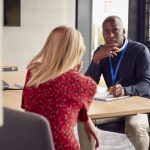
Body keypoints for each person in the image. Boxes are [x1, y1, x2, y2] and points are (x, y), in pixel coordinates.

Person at [21, 26, 99, 150]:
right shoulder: (86, 84)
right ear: (77, 52)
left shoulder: (33, 71)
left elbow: (28, 107)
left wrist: (86, 120)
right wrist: (76, 74)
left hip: (29, 142)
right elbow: (74, 115)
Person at [85, 16, 150, 150]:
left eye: (115, 30)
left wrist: (125, 90)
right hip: (113, 106)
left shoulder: (140, 51)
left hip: (137, 107)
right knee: (83, 118)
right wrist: (96, 60)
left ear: (123, 31)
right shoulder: (101, 52)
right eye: (106, 31)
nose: (111, 35)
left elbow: (147, 84)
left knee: (134, 126)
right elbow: (87, 86)